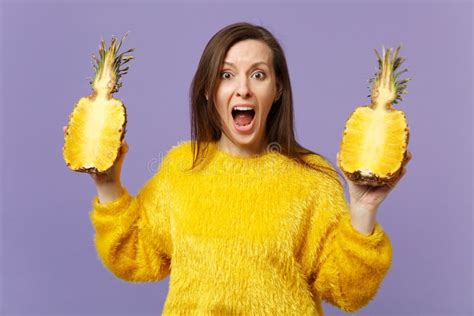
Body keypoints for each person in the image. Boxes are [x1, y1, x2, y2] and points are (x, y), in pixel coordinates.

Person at [64, 22, 412, 315]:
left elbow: (347, 291)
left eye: (258, 75)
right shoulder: (181, 167)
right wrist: (107, 183)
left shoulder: (312, 179)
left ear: (276, 90)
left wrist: (364, 209)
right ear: (207, 91)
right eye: (226, 75)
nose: (243, 89)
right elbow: (134, 256)